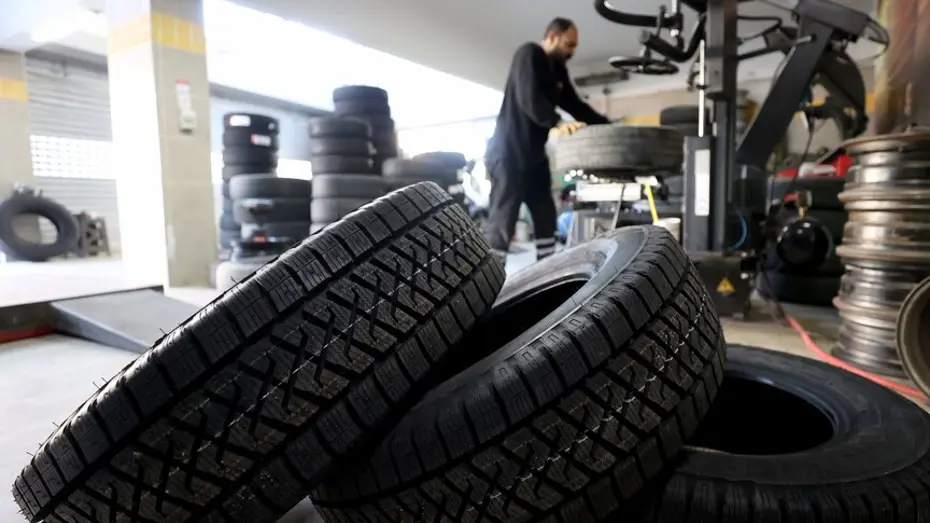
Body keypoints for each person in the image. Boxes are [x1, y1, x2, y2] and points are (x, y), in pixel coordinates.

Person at [483, 17, 610, 262]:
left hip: (535, 157)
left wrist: (607, 125)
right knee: (503, 221)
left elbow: (576, 105)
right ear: (552, 37)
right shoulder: (528, 54)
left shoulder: (557, 70)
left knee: (545, 217)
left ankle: (545, 275)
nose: (572, 51)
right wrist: (558, 122)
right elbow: (529, 100)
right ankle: (490, 282)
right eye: (569, 44)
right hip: (508, 154)